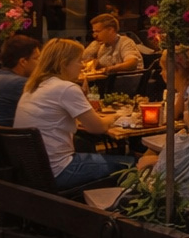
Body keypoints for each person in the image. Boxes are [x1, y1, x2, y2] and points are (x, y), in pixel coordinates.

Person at [14, 38, 133, 190]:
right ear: (64, 64)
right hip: (60, 171)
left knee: (86, 146)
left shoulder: (33, 86)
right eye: (79, 61)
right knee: (132, 164)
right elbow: (97, 128)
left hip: (34, 172)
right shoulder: (65, 88)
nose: (82, 65)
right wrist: (115, 116)